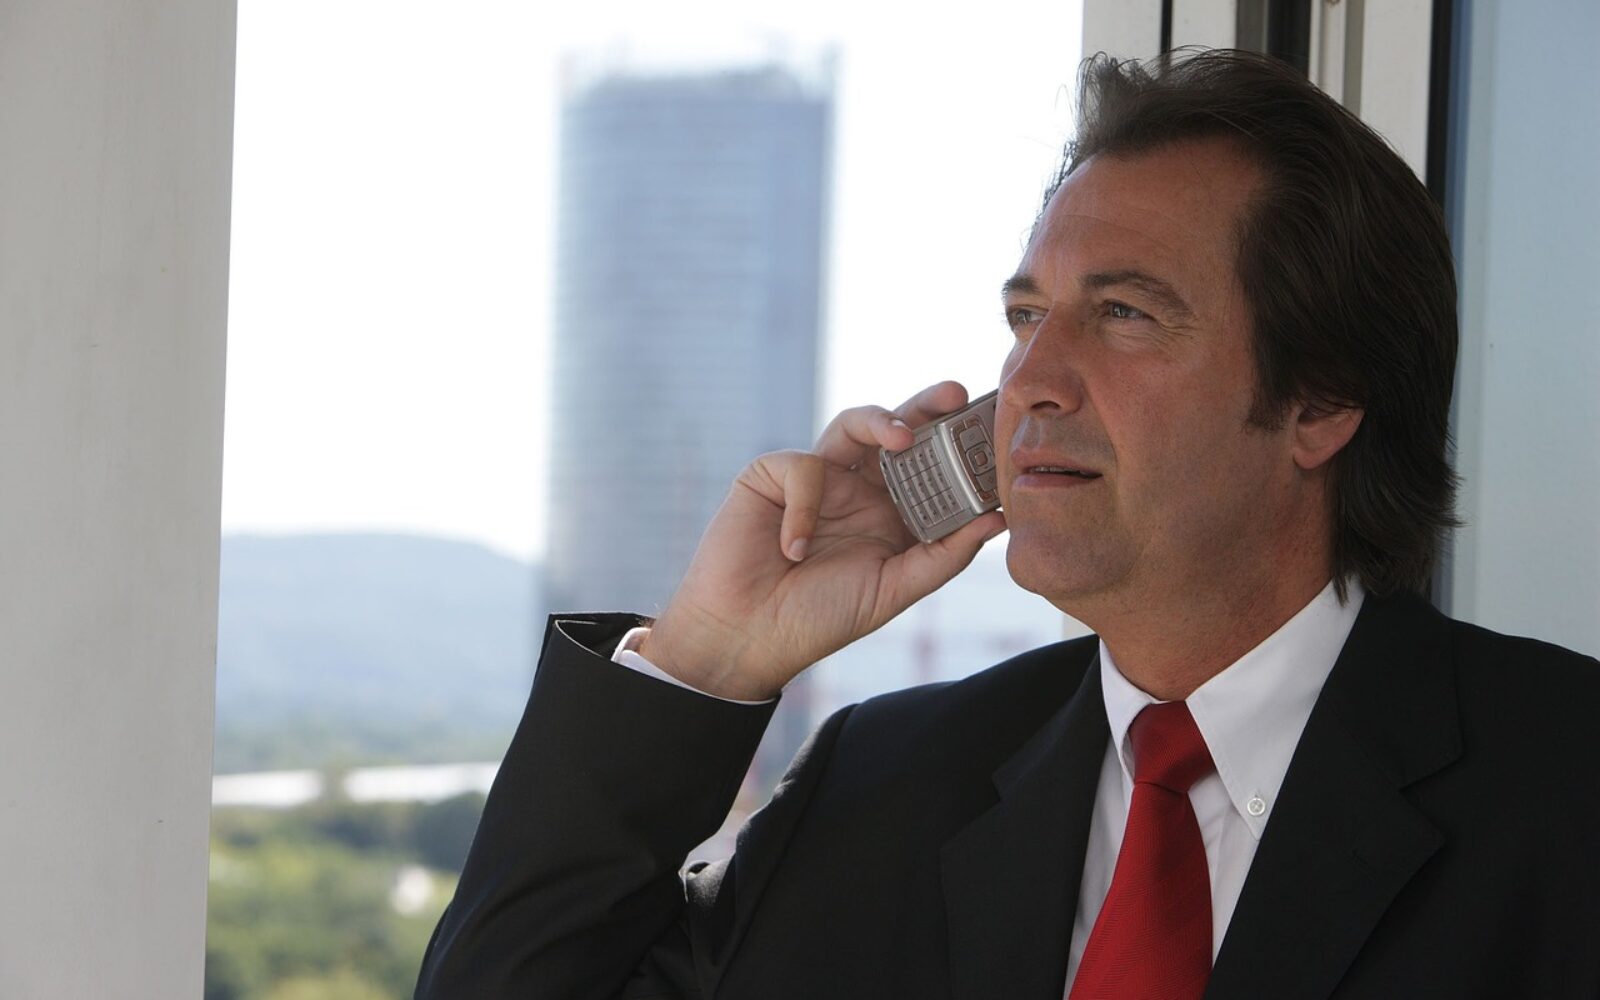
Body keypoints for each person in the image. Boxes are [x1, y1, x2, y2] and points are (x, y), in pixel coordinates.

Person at [415, 49, 1600, 1000]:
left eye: (1122, 313)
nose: (1029, 378)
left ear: (1321, 402)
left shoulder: (1564, 789)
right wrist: (705, 661)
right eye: (1025, 316)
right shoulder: (883, 785)